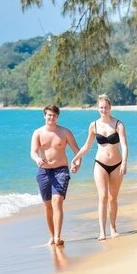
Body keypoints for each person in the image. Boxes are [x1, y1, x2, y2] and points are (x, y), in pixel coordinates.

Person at [71, 94, 129, 240]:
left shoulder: (118, 124)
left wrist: (124, 162)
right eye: (101, 108)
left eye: (106, 107)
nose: (104, 110)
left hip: (117, 165)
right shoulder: (94, 125)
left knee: (113, 198)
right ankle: (102, 232)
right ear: (98, 109)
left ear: (110, 108)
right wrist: (75, 159)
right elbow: (87, 146)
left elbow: (124, 146)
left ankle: (113, 228)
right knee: (103, 196)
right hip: (100, 164)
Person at [31, 104, 81, 246]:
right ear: (44, 116)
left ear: (57, 117)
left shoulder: (65, 132)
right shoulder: (38, 133)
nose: (51, 118)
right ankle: (52, 236)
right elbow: (33, 151)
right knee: (48, 205)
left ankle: (58, 236)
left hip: (61, 170)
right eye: (49, 115)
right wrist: (37, 159)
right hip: (44, 171)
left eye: (54, 115)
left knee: (57, 202)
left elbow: (76, 150)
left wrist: (77, 162)